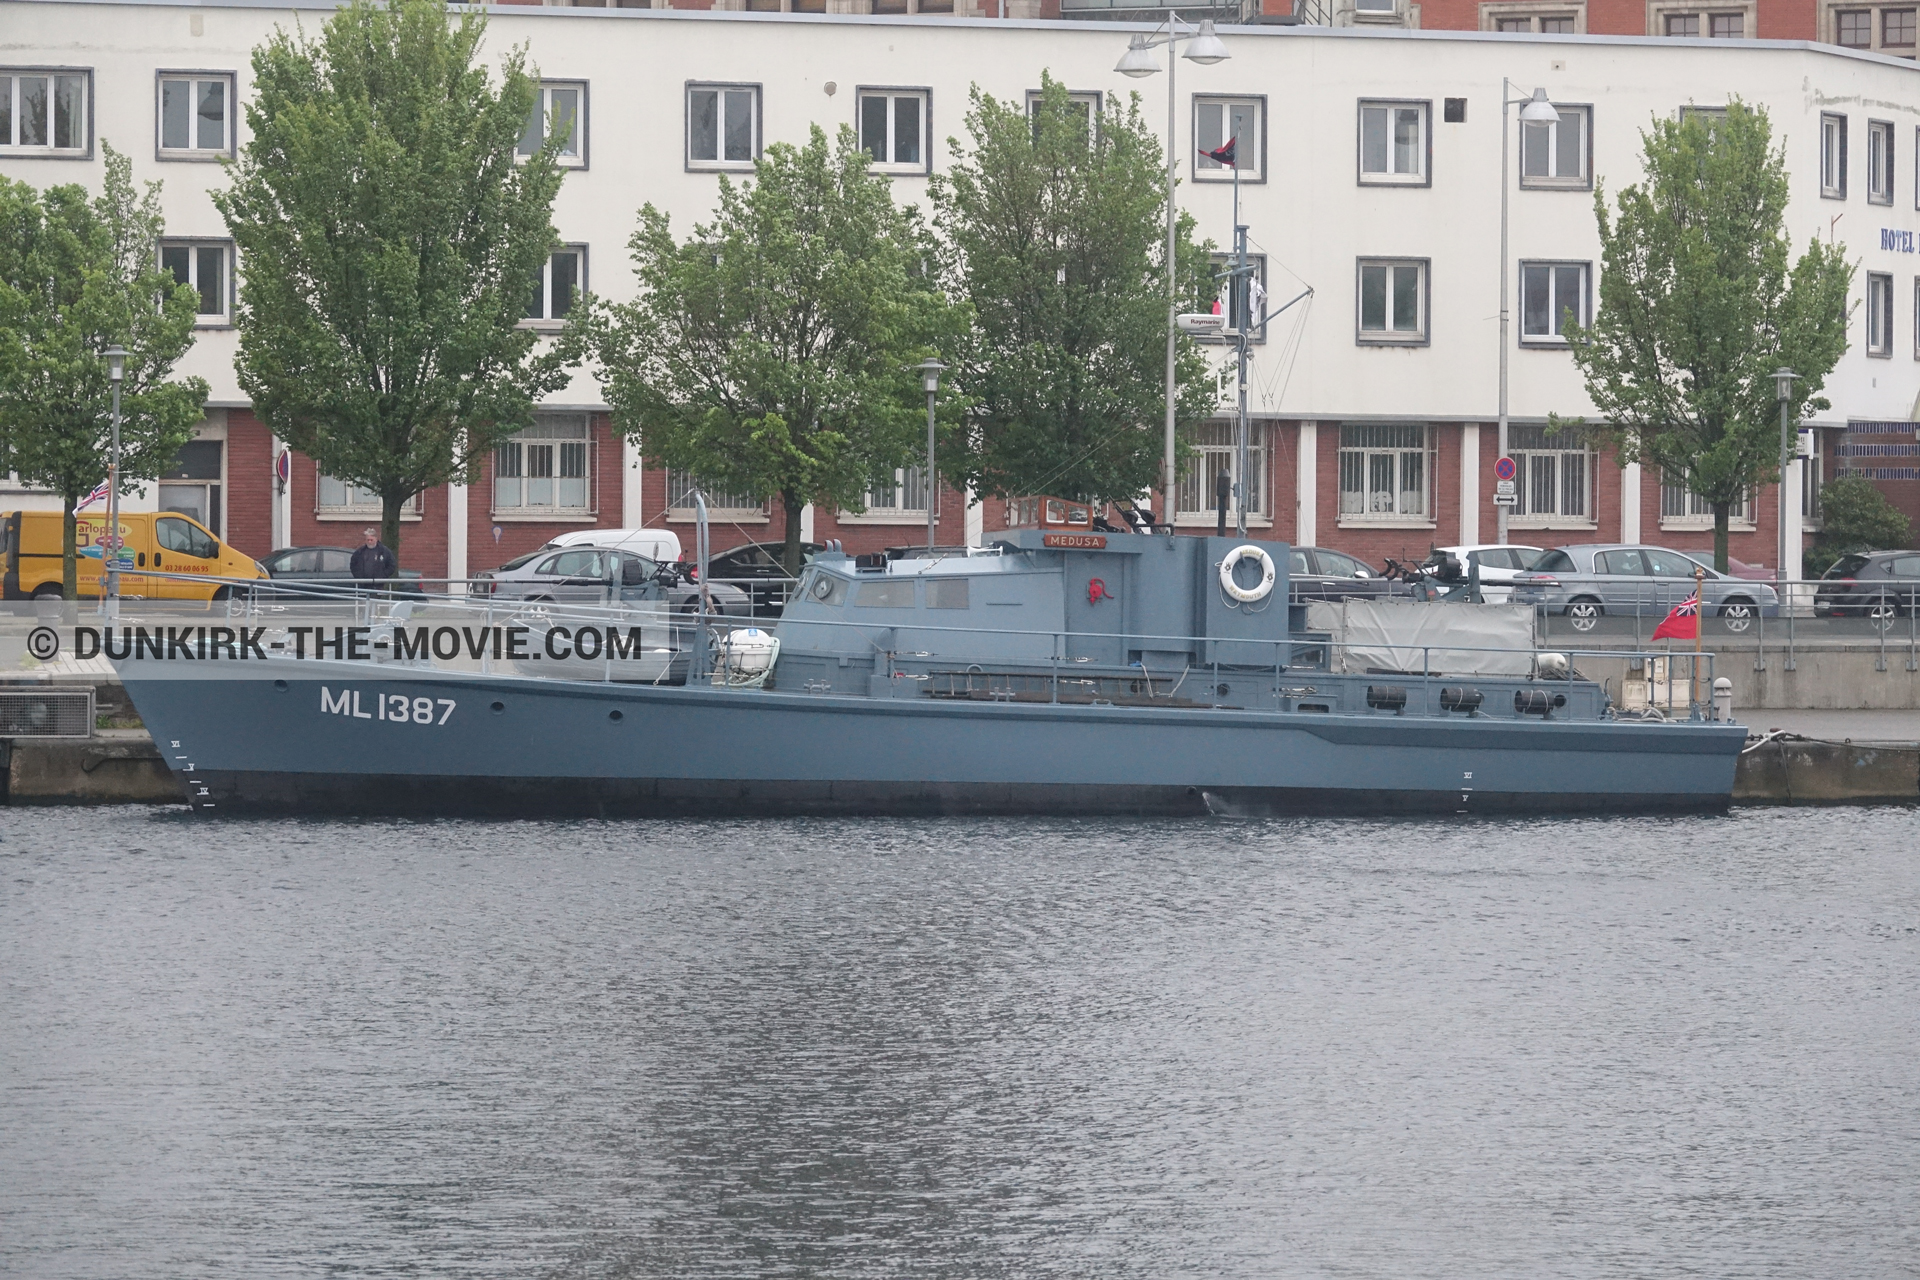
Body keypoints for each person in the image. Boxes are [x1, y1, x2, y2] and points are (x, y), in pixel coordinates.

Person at [350, 527, 396, 592]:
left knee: (375, 601)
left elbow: (392, 565)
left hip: (378, 585)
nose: (369, 542)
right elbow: (353, 565)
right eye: (368, 540)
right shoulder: (359, 552)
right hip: (363, 585)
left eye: (371, 540)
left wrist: (383, 575)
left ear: (376, 539)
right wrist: (358, 577)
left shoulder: (384, 551)